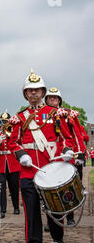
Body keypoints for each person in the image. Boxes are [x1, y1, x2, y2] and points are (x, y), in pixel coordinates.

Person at [8, 69, 74, 243]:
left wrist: (68, 150)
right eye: (30, 90)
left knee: (54, 209)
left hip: (52, 170)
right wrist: (21, 155)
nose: (34, 93)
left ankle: (57, 239)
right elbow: (13, 142)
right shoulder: (19, 118)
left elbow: (65, 138)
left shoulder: (54, 114)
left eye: (37, 90)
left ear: (43, 92)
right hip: (28, 172)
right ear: (25, 94)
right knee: (32, 211)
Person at [44, 87, 86, 226]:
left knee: (67, 188)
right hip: (50, 156)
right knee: (49, 191)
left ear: (59, 100)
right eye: (50, 97)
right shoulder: (42, 114)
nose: (52, 100)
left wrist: (79, 153)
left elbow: (77, 134)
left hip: (67, 155)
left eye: (55, 98)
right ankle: (52, 221)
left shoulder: (68, 114)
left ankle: (70, 216)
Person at [0, 112, 21, 219]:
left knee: (14, 186)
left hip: (12, 162)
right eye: (3, 122)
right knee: (1, 187)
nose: (4, 124)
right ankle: (2, 209)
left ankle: (16, 206)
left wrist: (8, 133)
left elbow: (16, 141)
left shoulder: (12, 131)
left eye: (6, 122)